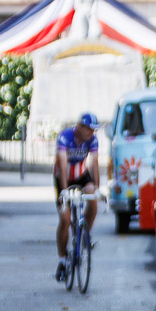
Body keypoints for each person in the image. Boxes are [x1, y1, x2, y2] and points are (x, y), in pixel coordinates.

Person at [54, 113, 100, 281]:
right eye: (89, 129)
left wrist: (97, 187)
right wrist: (64, 190)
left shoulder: (92, 140)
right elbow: (62, 163)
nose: (91, 133)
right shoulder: (65, 137)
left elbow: (94, 163)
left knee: (92, 198)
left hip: (81, 175)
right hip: (63, 177)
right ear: (80, 127)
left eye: (94, 130)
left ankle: (84, 234)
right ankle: (62, 260)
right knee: (65, 219)